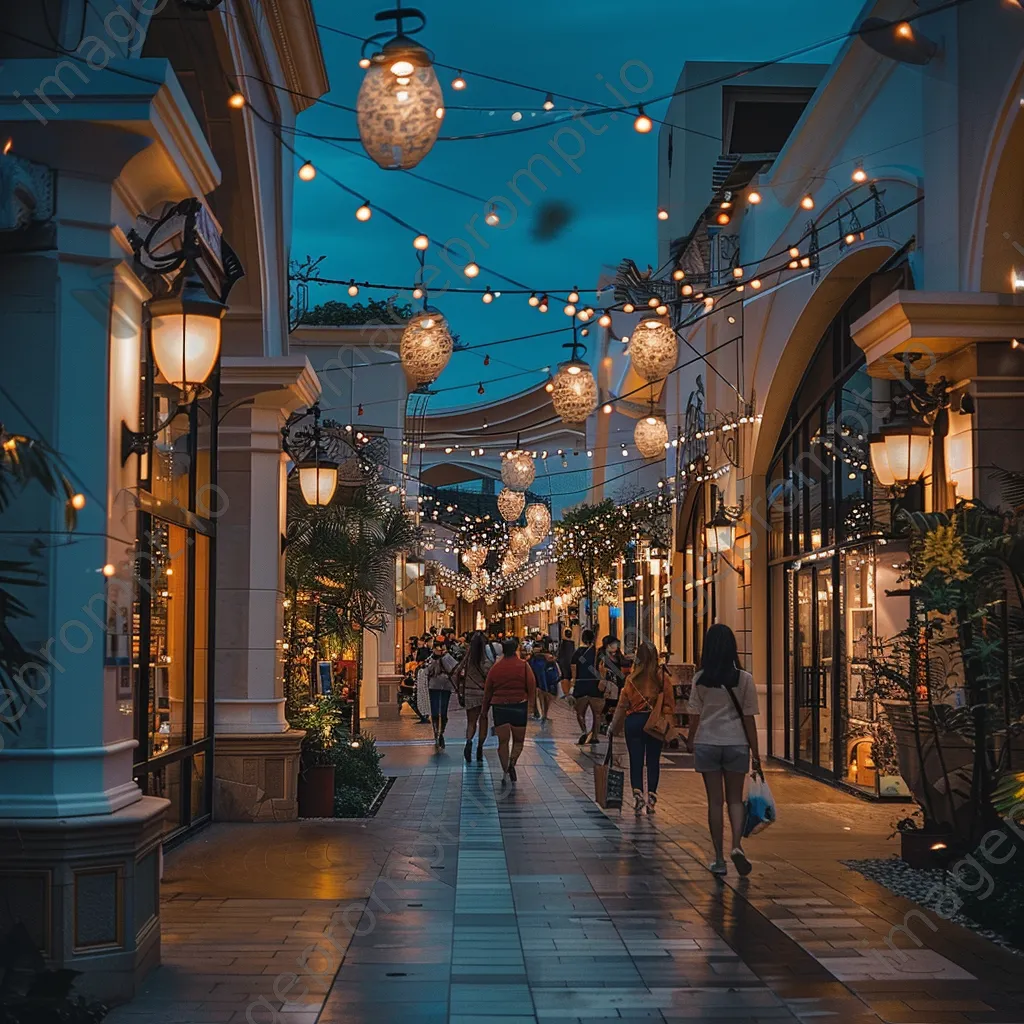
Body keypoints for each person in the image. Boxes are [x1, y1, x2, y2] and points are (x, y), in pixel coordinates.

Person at [686, 623, 763, 877]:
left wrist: (690, 739)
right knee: (735, 800)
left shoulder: (700, 679)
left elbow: (694, 715)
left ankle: (718, 859)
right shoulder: (744, 679)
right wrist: (756, 752)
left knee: (714, 802)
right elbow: (750, 718)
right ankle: (737, 847)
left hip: (708, 742)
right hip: (736, 743)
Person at [609, 640, 674, 814]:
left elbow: (622, 705)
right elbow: (669, 704)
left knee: (635, 760)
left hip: (634, 722)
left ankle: (637, 795)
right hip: (654, 723)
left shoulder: (632, 679)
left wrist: (613, 727)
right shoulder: (662, 678)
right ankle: (651, 798)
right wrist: (669, 727)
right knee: (653, 761)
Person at [481, 637, 537, 787]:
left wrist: (484, 711)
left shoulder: (495, 668)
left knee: (503, 742)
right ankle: (512, 763)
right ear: (516, 649)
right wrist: (532, 707)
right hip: (519, 706)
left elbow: (488, 691)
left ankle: (505, 771)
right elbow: (532, 686)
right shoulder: (524, 666)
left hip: (499, 707)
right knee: (518, 741)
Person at [455, 630, 492, 762]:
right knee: (483, 720)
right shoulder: (486, 659)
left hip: (470, 693)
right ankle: (480, 748)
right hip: (483, 694)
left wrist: (460, 689)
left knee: (471, 722)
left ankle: (469, 742)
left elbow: (457, 672)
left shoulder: (467, 659)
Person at [570, 630, 603, 744]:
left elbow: (573, 670)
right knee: (597, 714)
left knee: (580, 712)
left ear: (582, 639)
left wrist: (573, 684)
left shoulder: (577, 653)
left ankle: (584, 731)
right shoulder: (597, 652)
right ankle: (595, 736)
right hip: (595, 685)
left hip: (581, 685)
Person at [426, 639, 458, 750]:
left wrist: (444, 657)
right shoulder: (430, 659)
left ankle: (441, 733)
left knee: (443, 711)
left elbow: (454, 668)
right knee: (435, 711)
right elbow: (428, 671)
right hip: (434, 686)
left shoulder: (448, 657)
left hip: (445, 686)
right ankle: (436, 734)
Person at [597, 635, 626, 733]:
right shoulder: (602, 655)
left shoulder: (617, 654)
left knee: (614, 703)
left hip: (617, 682)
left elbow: (624, 663)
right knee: (606, 703)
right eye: (615, 644)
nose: (617, 646)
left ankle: (610, 724)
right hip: (607, 683)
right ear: (608, 645)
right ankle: (603, 724)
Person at [528, 642, 558, 722]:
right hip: (541, 679)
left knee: (543, 696)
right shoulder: (535, 658)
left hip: (542, 679)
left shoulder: (537, 658)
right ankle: (543, 713)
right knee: (543, 696)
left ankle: (543, 713)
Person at [556, 628, 575, 696]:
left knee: (565, 677)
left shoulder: (562, 643)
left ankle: (566, 694)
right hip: (570, 662)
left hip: (563, 663)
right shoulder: (573, 644)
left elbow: (559, 654)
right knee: (569, 677)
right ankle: (569, 693)